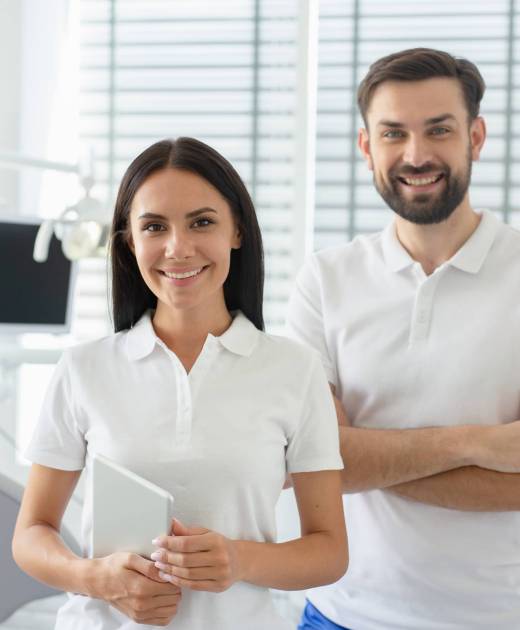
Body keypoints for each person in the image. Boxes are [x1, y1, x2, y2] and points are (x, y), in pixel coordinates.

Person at [12, 137, 348, 630]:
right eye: (154, 227)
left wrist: (240, 559)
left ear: (237, 231)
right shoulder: (84, 368)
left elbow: (329, 551)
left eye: (202, 222)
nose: (178, 248)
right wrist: (95, 577)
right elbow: (31, 533)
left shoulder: (295, 371)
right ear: (129, 241)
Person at [287, 48, 520, 630]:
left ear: (476, 136)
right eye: (394, 133)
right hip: (341, 614)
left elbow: (343, 462)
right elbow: (320, 463)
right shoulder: (326, 279)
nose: (417, 155)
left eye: (438, 130)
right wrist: (479, 443)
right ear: (367, 146)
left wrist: (369, 457)